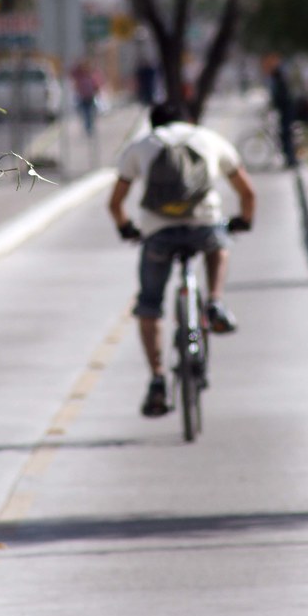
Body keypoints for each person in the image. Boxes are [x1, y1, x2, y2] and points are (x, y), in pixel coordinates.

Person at [108, 101, 256, 417]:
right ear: (188, 119)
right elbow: (248, 193)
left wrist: (126, 229)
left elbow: (115, 202)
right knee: (219, 242)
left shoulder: (142, 144)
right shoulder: (208, 138)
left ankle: (158, 380)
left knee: (149, 305)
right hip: (203, 227)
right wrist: (243, 220)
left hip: (158, 233)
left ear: (153, 124)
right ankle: (215, 302)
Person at [261, 53, 297, 168]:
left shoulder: (279, 75)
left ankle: (291, 159)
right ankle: (289, 158)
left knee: (286, 133)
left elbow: (282, 95)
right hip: (284, 108)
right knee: (284, 133)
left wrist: (274, 105)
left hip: (287, 108)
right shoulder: (277, 75)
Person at [71, 59, 102, 136]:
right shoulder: (80, 77)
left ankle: (90, 126)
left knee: (91, 112)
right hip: (83, 97)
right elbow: (73, 75)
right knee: (86, 113)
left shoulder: (90, 76)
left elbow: (95, 85)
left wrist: (96, 91)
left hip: (90, 97)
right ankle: (88, 127)